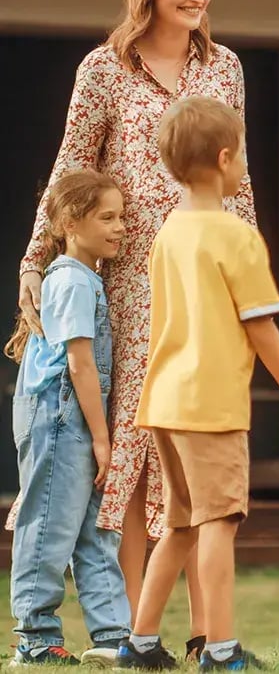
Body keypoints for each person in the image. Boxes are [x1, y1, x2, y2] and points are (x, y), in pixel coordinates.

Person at [15, 0, 258, 660]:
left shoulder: (226, 69)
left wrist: (249, 277)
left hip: (207, 285)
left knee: (202, 452)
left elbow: (238, 176)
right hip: (131, 286)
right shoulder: (103, 71)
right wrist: (36, 257)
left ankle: (202, 630)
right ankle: (128, 632)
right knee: (139, 451)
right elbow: (69, 169)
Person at [116, 96, 279, 671]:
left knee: (178, 525)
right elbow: (261, 326)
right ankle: (221, 650)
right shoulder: (237, 237)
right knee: (219, 524)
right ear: (227, 158)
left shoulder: (168, 234)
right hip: (212, 407)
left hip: (163, 400)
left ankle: (140, 644)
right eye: (244, 154)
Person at [6, 170, 132, 665]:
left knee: (97, 528)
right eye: (107, 217)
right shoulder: (72, 280)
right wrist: (102, 438)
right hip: (61, 418)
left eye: (122, 216)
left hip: (77, 420)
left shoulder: (84, 277)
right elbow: (79, 363)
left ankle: (111, 635)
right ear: (70, 223)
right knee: (50, 526)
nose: (121, 226)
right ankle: (35, 638)